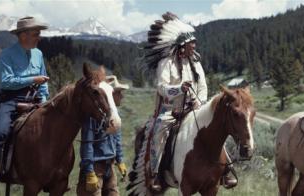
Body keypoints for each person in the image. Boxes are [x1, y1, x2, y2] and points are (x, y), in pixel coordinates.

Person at [139, 12, 237, 191]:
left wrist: (200, 103)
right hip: (170, 110)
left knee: (215, 130)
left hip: (194, 109)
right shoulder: (166, 63)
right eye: (191, 43)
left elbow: (203, 87)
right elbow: (161, 87)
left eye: (194, 43)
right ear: (182, 46)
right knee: (158, 132)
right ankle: (156, 174)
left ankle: (226, 168)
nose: (194, 45)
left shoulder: (196, 64)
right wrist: (178, 89)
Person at [0, 16, 50, 195]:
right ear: (23, 35)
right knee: (1, 131)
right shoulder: (6, 54)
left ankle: (49, 174)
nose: (39, 37)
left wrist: (44, 99)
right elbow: (6, 82)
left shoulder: (38, 54)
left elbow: (44, 79)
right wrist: (33, 79)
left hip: (34, 99)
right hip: (10, 99)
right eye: (36, 34)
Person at [77, 75, 129, 196]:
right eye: (119, 93)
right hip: (95, 168)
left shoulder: (115, 116)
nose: (122, 96)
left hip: (109, 167)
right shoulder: (92, 116)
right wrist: (89, 172)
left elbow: (117, 139)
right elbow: (87, 144)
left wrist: (120, 161)